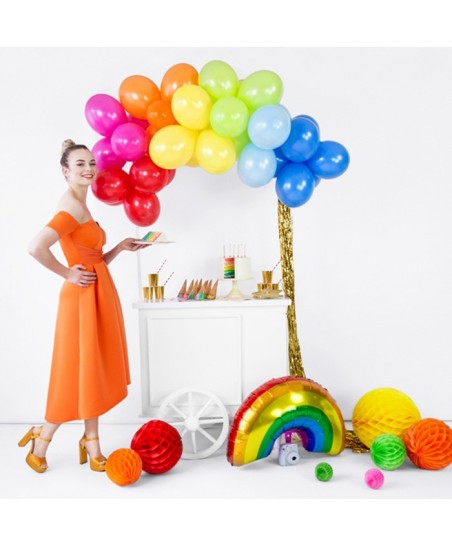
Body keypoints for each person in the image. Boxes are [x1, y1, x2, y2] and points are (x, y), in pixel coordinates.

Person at [19, 139, 148, 473]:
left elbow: (92, 259)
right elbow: (36, 247)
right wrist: (67, 274)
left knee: (93, 368)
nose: (89, 169)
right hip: (81, 298)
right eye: (80, 164)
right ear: (65, 171)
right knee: (75, 369)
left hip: (97, 293)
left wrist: (119, 248)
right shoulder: (71, 208)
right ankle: (42, 438)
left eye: (91, 163)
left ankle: (91, 442)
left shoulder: (82, 206)